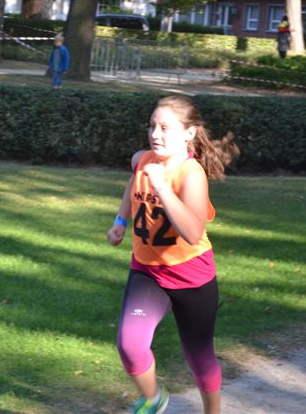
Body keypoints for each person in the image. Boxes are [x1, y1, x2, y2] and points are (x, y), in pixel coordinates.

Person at [107, 96, 228, 414]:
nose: (155, 134)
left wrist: (162, 187)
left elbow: (192, 231)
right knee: (130, 345)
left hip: (191, 276)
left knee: (199, 357)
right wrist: (120, 221)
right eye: (152, 126)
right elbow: (133, 182)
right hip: (147, 270)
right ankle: (153, 398)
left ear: (189, 133)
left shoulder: (190, 174)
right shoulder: (142, 160)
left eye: (165, 128)